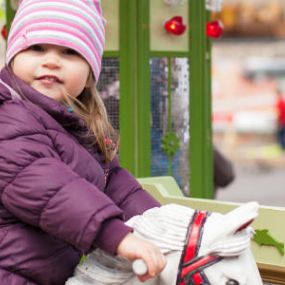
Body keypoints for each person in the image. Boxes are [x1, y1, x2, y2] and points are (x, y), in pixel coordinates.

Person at [0, 1, 166, 285]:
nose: (51, 60)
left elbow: (113, 183)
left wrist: (163, 224)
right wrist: (114, 235)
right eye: (37, 48)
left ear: (90, 73)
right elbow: (48, 187)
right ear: (13, 56)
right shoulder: (9, 117)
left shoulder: (74, 125)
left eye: (70, 52)